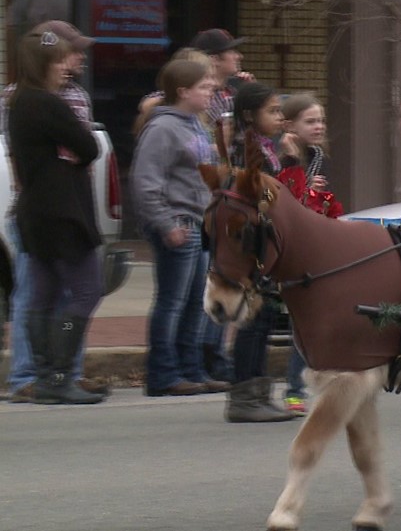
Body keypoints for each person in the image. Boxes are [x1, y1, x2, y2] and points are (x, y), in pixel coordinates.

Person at [2, 20, 110, 403]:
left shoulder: (18, 102)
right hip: (63, 210)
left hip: (35, 210)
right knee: (86, 289)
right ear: (42, 64)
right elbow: (89, 146)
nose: (67, 66)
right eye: (59, 60)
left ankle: (46, 377)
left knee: (43, 295)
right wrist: (79, 157)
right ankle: (60, 375)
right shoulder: (47, 103)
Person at [133, 48, 235, 384]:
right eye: (204, 87)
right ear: (183, 91)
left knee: (196, 302)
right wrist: (165, 223)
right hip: (177, 223)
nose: (211, 92)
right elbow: (147, 183)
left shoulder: (196, 126)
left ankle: (192, 370)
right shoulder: (162, 128)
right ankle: (164, 374)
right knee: (172, 302)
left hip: (199, 222)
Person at [225, 81, 297, 422]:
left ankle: (259, 392)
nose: (279, 117)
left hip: (265, 240)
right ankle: (244, 396)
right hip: (252, 241)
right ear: (249, 115)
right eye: (272, 111)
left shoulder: (263, 146)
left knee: (265, 316)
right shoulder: (245, 149)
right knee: (253, 319)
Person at [275, 93, 338, 415]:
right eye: (310, 121)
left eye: (321, 121)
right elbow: (284, 203)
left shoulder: (318, 156)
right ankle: (294, 390)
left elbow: (322, 201)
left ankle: (327, 381)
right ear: (289, 125)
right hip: (289, 249)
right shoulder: (279, 157)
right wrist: (290, 165)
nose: (318, 127)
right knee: (302, 322)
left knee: (320, 319)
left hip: (317, 245)